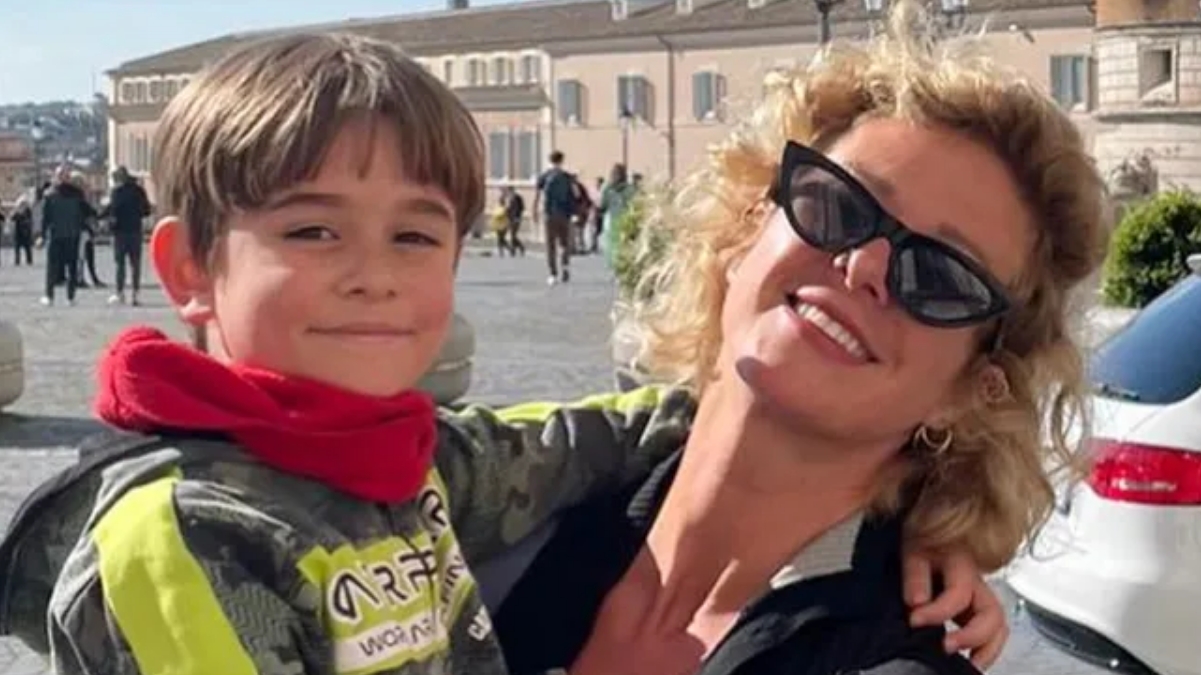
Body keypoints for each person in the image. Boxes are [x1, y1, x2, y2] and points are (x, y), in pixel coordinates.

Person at [0, 32, 1002, 675]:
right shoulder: (183, 541)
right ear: (188, 268)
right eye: (312, 230)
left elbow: (590, 435)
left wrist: (915, 499)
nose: (371, 274)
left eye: (413, 235)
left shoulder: (409, 456)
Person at [492, 3, 1107, 675]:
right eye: (838, 203)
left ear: (970, 389)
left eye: (939, 273)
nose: (864, 265)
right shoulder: (493, 519)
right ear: (745, 230)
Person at [39, 166, 96, 306]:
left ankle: (50, 296)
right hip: (70, 234)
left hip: (58, 235)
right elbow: (87, 211)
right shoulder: (76, 194)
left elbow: (45, 218)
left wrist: (42, 235)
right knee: (71, 266)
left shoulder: (50, 195)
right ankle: (69, 297)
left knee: (54, 267)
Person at [100, 165, 152, 305]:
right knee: (135, 264)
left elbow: (112, 210)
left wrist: (99, 216)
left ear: (119, 178)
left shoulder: (117, 192)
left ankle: (120, 293)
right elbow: (147, 211)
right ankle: (135, 294)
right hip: (135, 230)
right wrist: (136, 214)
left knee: (120, 264)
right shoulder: (139, 191)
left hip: (120, 232)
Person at [535, 150, 574, 285]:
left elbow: (538, 195)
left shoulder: (544, 176)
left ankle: (553, 273)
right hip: (564, 214)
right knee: (564, 243)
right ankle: (565, 266)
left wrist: (535, 210)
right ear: (562, 161)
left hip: (549, 214)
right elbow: (575, 195)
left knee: (550, 245)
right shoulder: (567, 177)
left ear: (549, 160)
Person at [598, 163, 637, 269]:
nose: (615, 176)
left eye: (616, 174)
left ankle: (621, 265)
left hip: (622, 221)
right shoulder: (609, 188)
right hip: (614, 221)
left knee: (620, 245)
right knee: (614, 246)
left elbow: (602, 205)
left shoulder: (626, 189)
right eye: (614, 174)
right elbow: (603, 204)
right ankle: (617, 265)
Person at [9, 196, 34, 266]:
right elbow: (12, 218)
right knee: (17, 248)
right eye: (21, 203)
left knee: (27, 248)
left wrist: (26, 222)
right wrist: (16, 212)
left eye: (24, 203)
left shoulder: (28, 211)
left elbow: (30, 220)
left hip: (26, 232)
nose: (23, 205)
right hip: (18, 232)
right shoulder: (17, 211)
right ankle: (17, 261)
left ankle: (29, 261)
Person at [504, 185, 526, 256]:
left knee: (513, 235)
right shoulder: (509, 198)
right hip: (511, 218)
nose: (508, 192)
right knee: (512, 235)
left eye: (509, 191)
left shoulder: (515, 198)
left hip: (516, 218)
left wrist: (516, 216)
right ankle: (516, 248)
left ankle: (516, 248)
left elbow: (519, 208)